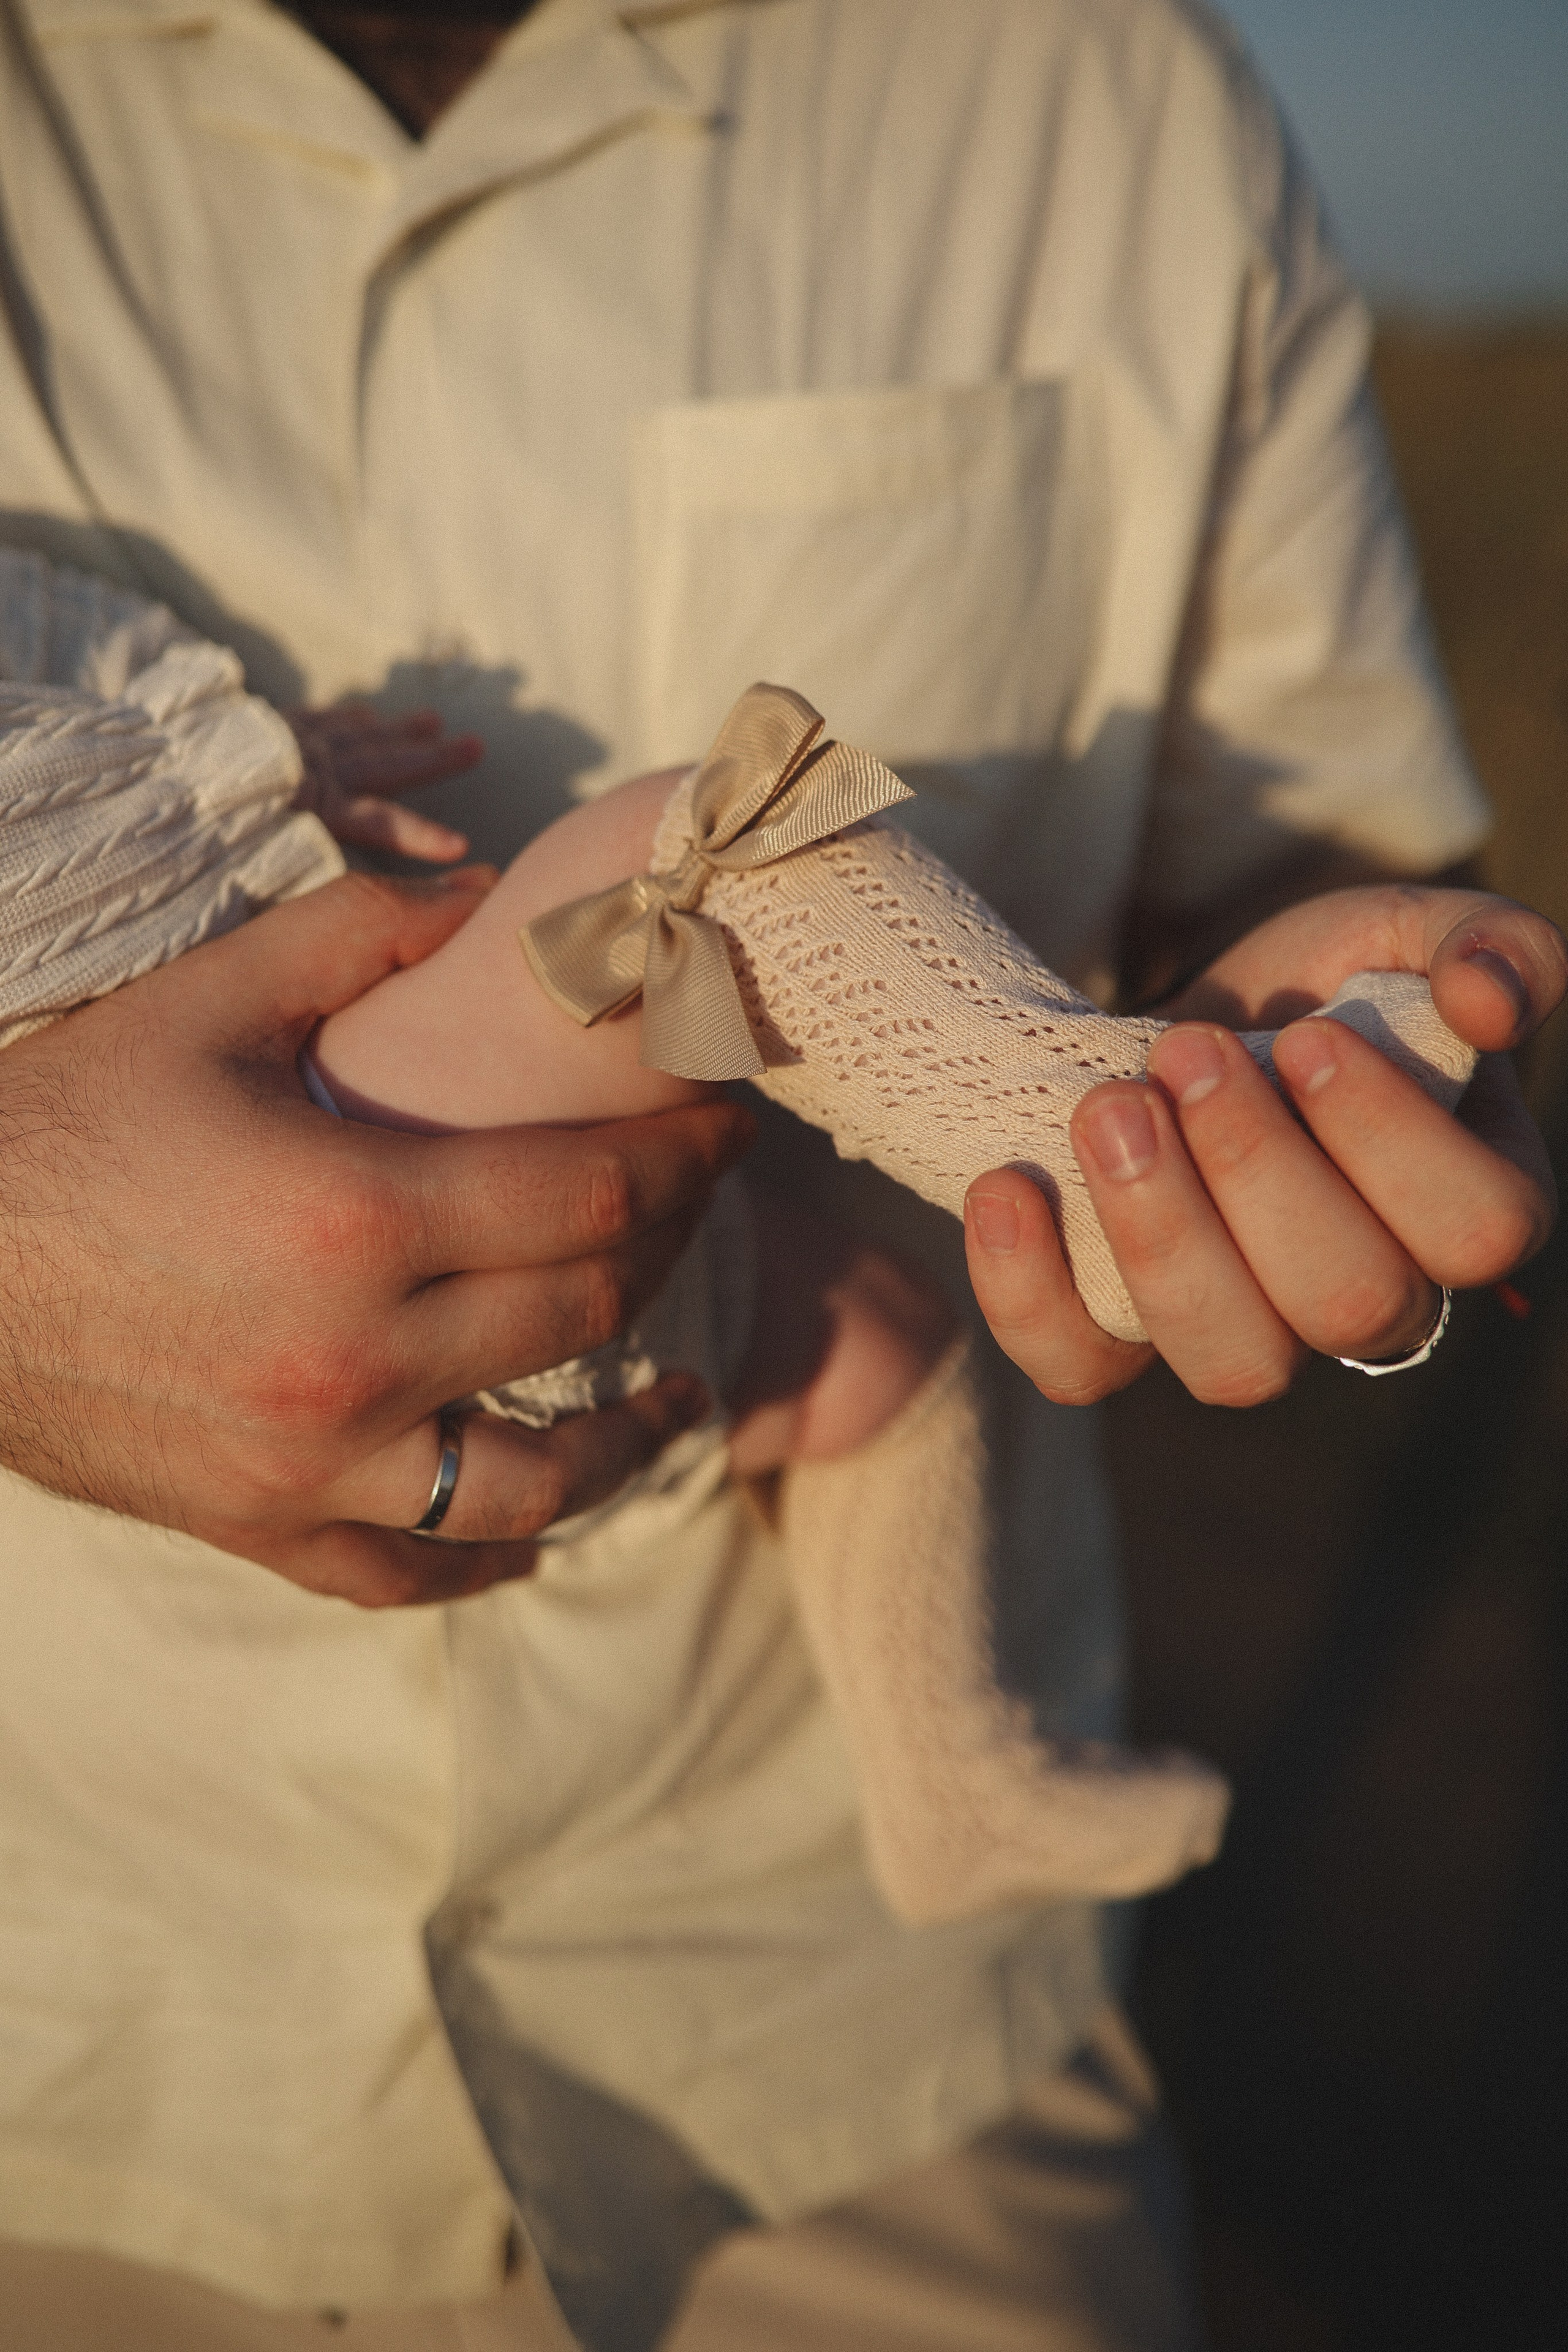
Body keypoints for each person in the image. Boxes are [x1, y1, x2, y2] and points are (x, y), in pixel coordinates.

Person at [0, 2, 1561, 2347]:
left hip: (863, 2057)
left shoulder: (1096, 91)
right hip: (95, 2079)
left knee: (865, 1301)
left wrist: (1281, 1047)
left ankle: (969, 1692)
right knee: (710, 876)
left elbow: (1308, 828)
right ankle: (1046, 1155)